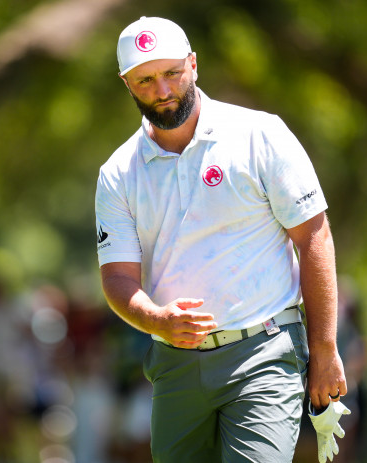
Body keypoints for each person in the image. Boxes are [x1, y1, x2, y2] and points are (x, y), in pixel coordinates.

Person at [95, 16, 348, 462]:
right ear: (126, 83)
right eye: (145, 80)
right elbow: (117, 277)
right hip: (175, 364)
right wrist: (156, 320)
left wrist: (325, 347)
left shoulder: (258, 134)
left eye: (172, 72)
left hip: (264, 351)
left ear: (193, 63)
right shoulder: (118, 173)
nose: (162, 90)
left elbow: (313, 236)